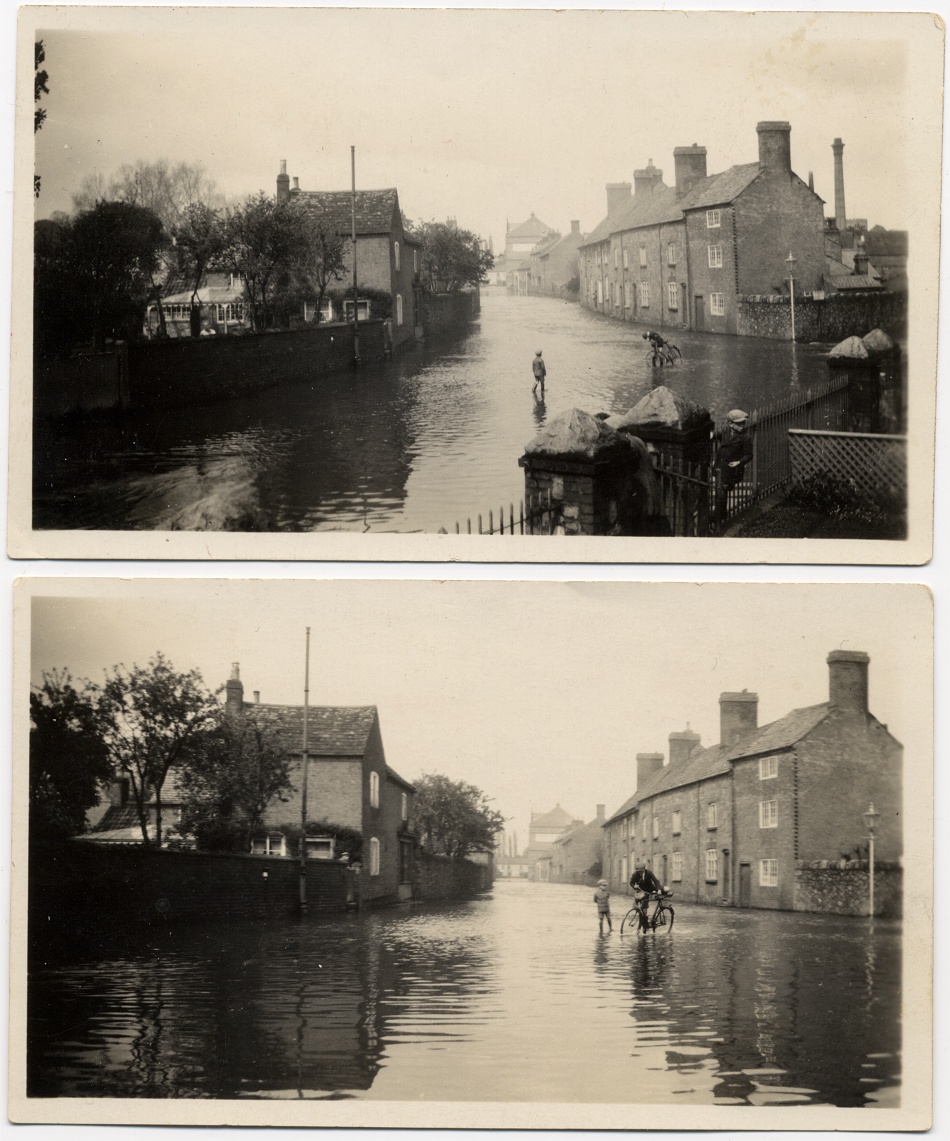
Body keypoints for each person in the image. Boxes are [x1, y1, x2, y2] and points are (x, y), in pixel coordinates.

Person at [716, 408, 754, 527]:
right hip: (720, 467)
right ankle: (720, 516)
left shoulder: (746, 438)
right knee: (720, 491)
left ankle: (719, 518)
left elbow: (749, 455)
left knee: (722, 491)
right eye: (739, 423)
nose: (742, 425)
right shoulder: (724, 432)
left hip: (733, 469)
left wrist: (739, 462)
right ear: (730, 424)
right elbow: (713, 436)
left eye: (743, 423)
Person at [629, 860, 665, 932]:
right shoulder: (635, 874)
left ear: (644, 869)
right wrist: (634, 886)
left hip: (649, 889)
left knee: (644, 907)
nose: (639, 873)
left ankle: (645, 926)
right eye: (638, 871)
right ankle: (643, 921)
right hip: (640, 890)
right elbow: (631, 882)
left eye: (641, 871)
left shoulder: (649, 873)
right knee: (637, 906)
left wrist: (658, 889)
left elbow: (656, 881)